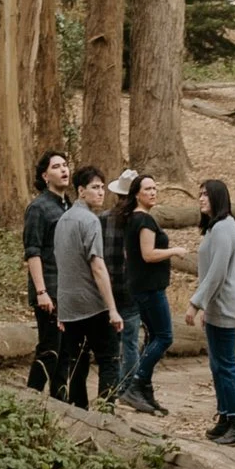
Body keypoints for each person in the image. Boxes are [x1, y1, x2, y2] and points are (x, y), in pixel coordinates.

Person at [52, 164, 120, 406]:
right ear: (81, 191)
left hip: (69, 305)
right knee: (109, 358)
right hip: (92, 304)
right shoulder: (90, 221)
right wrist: (112, 308)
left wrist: (61, 306)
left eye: (102, 187)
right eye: (95, 187)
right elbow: (97, 266)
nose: (101, 193)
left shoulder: (63, 220)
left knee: (77, 362)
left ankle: (79, 410)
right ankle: (106, 412)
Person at [194, 174, 235, 444]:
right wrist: (206, 305)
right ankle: (225, 417)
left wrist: (196, 303)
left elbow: (217, 273)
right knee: (217, 364)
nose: (201, 199)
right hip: (217, 302)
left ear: (218, 197)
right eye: (200, 194)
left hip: (226, 302)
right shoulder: (215, 228)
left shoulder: (224, 227)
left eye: (206, 194)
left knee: (226, 365)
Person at [119, 174, 175, 414]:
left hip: (141, 287)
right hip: (149, 289)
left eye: (155, 188)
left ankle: (145, 390)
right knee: (164, 336)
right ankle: (136, 383)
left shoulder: (133, 219)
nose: (153, 192)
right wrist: (174, 250)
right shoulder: (143, 220)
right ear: (136, 194)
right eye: (148, 189)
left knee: (153, 337)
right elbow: (148, 254)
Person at [20, 149, 71, 394]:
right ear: (45, 175)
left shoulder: (68, 206)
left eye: (65, 165)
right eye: (56, 167)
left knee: (65, 351)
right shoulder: (38, 208)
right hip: (49, 288)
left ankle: (61, 401)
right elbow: (33, 251)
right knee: (50, 348)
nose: (63, 170)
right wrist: (41, 291)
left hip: (69, 289)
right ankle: (31, 397)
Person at [104, 166, 141, 398]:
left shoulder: (102, 219)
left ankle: (112, 388)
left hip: (107, 289)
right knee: (130, 342)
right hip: (132, 290)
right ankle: (127, 388)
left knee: (112, 343)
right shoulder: (140, 221)